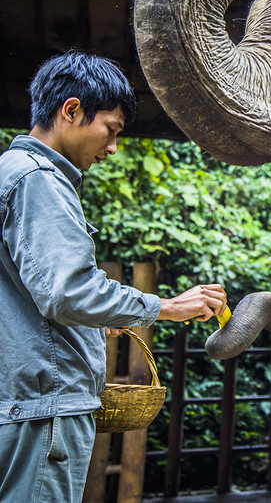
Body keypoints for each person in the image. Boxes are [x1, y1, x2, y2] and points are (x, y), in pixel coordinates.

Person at [0, 50, 228, 502]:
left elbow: (33, 297)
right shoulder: (40, 179)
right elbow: (68, 292)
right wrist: (166, 306)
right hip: (45, 407)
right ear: (71, 110)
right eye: (112, 129)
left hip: (20, 403)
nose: (112, 148)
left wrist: (88, 314)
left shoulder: (10, 172)